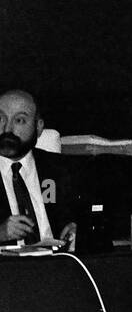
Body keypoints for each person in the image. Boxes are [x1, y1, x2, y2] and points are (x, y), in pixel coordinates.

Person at [0, 89, 80, 247]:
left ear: (38, 127)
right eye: (0, 118)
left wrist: (77, 228)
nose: (7, 129)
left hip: (59, 262)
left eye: (20, 120)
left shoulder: (61, 169)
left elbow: (87, 215)